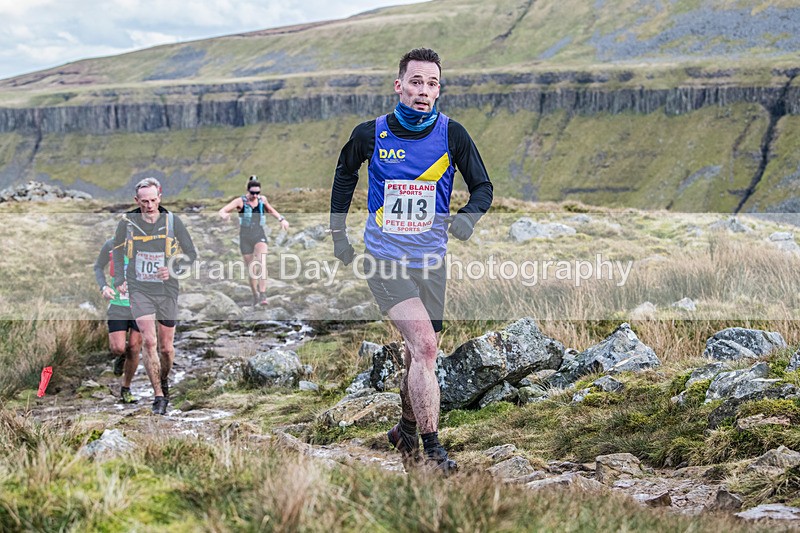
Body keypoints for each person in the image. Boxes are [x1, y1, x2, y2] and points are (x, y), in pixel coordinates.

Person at [329, 48, 493, 473]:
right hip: (384, 259)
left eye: (432, 83)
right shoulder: (371, 134)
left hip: (431, 261)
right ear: (398, 85)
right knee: (424, 346)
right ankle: (433, 449)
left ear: (440, 89)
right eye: (416, 81)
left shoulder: (452, 134)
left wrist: (467, 221)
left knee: (416, 354)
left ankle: (404, 427)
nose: (424, 91)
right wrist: (338, 235)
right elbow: (345, 174)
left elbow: (483, 187)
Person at [112, 177, 197, 415]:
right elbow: (117, 253)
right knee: (149, 341)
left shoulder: (173, 222)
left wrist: (171, 269)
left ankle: (164, 378)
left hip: (167, 288)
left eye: (153, 200)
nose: (149, 206)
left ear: (160, 197)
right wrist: (119, 280)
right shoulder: (127, 223)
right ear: (136, 200)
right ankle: (159, 396)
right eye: (144, 201)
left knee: (167, 349)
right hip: (139, 288)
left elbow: (191, 254)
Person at [218, 176, 289, 306]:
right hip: (245, 237)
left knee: (262, 262)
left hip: (259, 235)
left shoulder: (262, 200)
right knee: (252, 269)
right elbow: (223, 210)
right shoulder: (240, 201)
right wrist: (224, 215)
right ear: (248, 191)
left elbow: (270, 209)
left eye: (257, 193)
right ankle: (255, 294)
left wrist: (281, 219)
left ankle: (263, 294)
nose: (255, 196)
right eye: (252, 193)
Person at [94, 238, 142, 404]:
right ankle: (120, 357)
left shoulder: (148, 244)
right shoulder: (110, 245)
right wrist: (104, 287)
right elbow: (98, 267)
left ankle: (126, 388)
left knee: (134, 347)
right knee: (118, 348)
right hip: (118, 304)